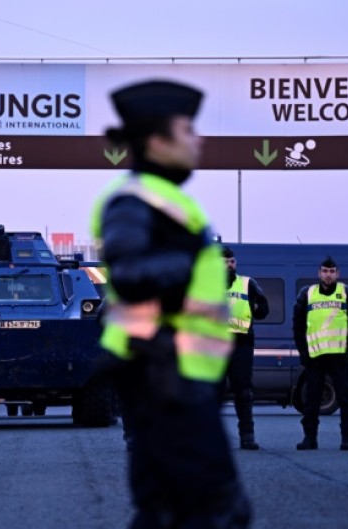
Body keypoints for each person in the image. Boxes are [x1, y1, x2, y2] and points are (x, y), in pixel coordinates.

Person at [90, 79, 250, 528]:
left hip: (177, 373)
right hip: (163, 372)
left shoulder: (168, 201)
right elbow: (127, 273)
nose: (197, 140)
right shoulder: (134, 201)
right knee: (218, 509)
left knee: (164, 510)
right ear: (156, 142)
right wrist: (185, 264)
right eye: (187, 130)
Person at [292, 256, 348, 450]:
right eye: (325, 271)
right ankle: (310, 438)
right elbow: (298, 326)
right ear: (319, 273)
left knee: (344, 398)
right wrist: (303, 353)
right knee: (312, 399)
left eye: (332, 271)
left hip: (340, 356)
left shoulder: (347, 293)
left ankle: (347, 437)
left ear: (337, 274)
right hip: (315, 357)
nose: (328, 275)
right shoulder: (307, 294)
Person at [222, 247, 269, 450]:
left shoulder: (248, 284)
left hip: (241, 344)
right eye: (225, 262)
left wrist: (257, 310)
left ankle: (247, 436)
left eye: (232, 261)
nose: (229, 265)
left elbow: (264, 308)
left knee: (243, 392)